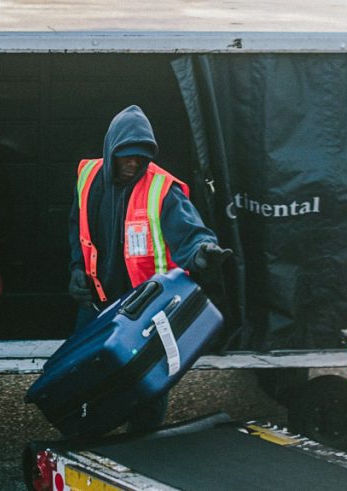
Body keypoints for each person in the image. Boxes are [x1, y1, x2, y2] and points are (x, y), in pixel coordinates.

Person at [67, 105, 230, 431]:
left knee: (148, 386)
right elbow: (77, 227)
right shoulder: (88, 179)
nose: (134, 164)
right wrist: (75, 269)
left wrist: (202, 254)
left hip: (144, 313)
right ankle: (86, 439)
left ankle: (141, 448)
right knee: (83, 378)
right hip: (97, 304)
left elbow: (191, 235)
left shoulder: (161, 190)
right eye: (127, 157)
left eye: (141, 158)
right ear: (111, 152)